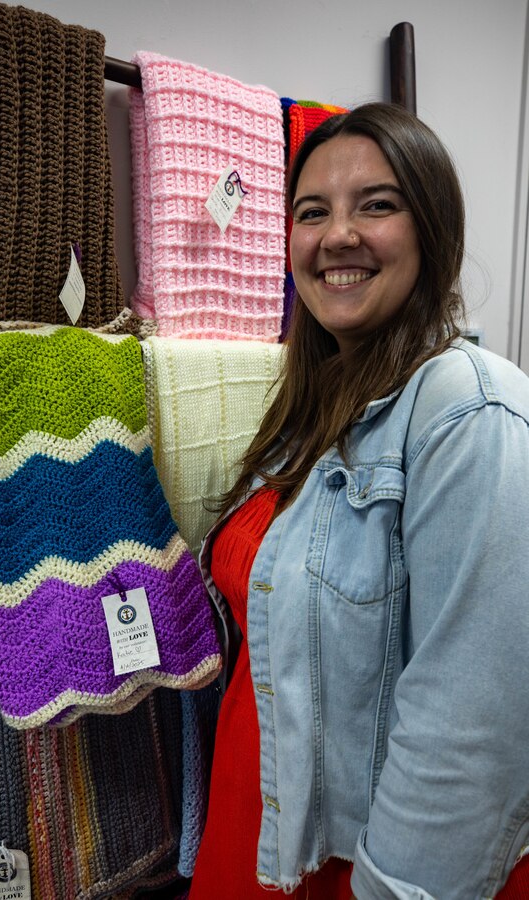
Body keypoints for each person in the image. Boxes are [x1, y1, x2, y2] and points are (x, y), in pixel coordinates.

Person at [188, 102, 529, 900]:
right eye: (313, 212)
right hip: (263, 836)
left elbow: (472, 744)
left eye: (376, 204)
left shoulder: (468, 412)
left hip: (375, 872)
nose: (337, 234)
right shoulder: (311, 409)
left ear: (432, 228)